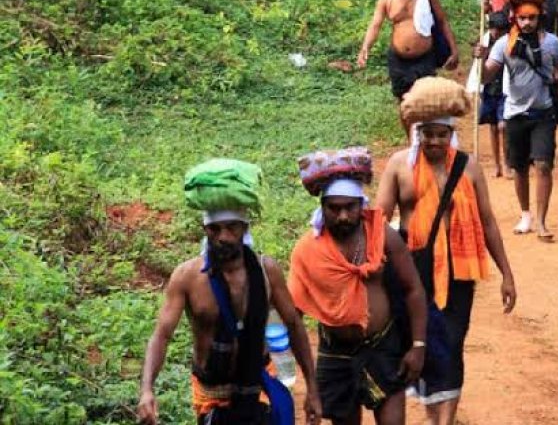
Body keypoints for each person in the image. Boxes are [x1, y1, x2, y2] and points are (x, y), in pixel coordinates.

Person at [375, 76, 517, 424]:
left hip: (457, 268)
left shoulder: (468, 167)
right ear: (417, 133)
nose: (435, 141)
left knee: (451, 341)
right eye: (428, 134)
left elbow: (488, 222)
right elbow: (378, 223)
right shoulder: (398, 166)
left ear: (451, 133)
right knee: (418, 341)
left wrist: (507, 275)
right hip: (410, 267)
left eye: (442, 134)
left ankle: (445, 418)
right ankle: (432, 409)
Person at [137, 158, 321, 425]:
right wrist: (146, 390)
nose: (223, 236)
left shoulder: (266, 271)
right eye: (215, 228)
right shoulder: (187, 277)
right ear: (204, 230)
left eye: (231, 227)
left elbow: (294, 325)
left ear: (244, 228)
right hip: (212, 393)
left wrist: (313, 390)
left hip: (258, 387)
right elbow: (162, 335)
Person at [289, 148, 428, 425]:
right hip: (335, 351)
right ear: (322, 207)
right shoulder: (308, 250)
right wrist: (304, 380)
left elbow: (414, 289)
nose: (342, 216)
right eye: (334, 208)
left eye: (349, 207)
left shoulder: (382, 236)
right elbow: (293, 315)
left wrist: (418, 346)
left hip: (383, 346)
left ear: (361, 205)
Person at [476, 0, 558, 240]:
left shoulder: (552, 43)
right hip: (514, 114)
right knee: (519, 168)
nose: (527, 22)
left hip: (543, 113)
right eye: (522, 17)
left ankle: (541, 221)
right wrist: (480, 60)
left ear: (540, 17)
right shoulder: (504, 44)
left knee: (543, 164)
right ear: (514, 17)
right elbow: (486, 76)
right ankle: (525, 214)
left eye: (532, 17)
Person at [357, 0, 459, 106]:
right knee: (404, 102)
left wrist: (454, 51)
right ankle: (410, 132)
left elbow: (442, 22)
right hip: (399, 59)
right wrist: (365, 48)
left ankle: (422, 131)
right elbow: (375, 24)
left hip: (424, 58)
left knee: (426, 101)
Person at [475, 11, 511, 178]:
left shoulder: (509, 43)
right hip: (489, 90)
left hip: (505, 90)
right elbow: (479, 70)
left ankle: (506, 163)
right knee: (493, 126)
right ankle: (497, 164)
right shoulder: (484, 43)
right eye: (494, 29)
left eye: (501, 30)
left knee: (504, 126)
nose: (497, 33)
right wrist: (479, 56)